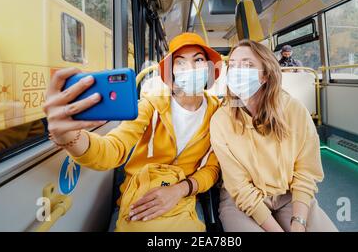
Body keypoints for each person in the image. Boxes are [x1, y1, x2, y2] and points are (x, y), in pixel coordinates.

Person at [43, 32, 223, 231]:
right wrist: (71, 137)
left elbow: (212, 169)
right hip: (140, 191)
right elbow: (113, 148)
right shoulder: (150, 106)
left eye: (198, 60)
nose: (189, 68)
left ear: (208, 69)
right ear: (171, 72)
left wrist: (179, 190)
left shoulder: (218, 114)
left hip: (184, 193)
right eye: (180, 63)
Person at [210, 40, 337, 232]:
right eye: (233, 65)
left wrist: (299, 223)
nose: (237, 71)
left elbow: (306, 171)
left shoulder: (294, 110)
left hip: (289, 196)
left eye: (248, 65)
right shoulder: (221, 120)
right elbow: (239, 187)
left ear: (265, 75)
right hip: (241, 203)